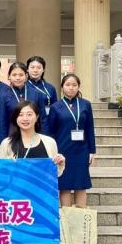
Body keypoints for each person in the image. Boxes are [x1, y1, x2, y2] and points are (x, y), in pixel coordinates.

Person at [0, 100, 65, 244]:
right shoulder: (7, 144)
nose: (25, 118)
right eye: (20, 115)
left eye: (29, 114)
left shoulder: (49, 142)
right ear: (15, 119)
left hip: (42, 209)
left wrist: (60, 163)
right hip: (16, 210)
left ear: (37, 117)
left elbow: (55, 175)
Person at [47, 74, 96, 208]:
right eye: (68, 85)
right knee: (65, 184)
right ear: (62, 87)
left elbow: (90, 128)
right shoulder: (56, 107)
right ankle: (67, 215)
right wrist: (52, 151)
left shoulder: (85, 104)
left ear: (78, 87)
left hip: (82, 150)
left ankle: (81, 213)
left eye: (74, 85)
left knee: (81, 184)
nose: (71, 88)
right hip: (62, 150)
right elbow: (51, 131)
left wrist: (92, 151)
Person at [0, 62, 48, 145]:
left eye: (21, 75)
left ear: (26, 76)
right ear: (9, 76)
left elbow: (42, 119)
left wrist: (45, 140)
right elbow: (2, 122)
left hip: (34, 135)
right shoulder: (3, 96)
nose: (18, 78)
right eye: (14, 75)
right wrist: (2, 143)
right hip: (12, 136)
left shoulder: (36, 94)